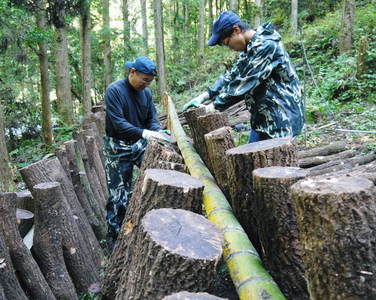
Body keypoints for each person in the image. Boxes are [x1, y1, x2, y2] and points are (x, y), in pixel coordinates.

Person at [183, 11, 304, 142]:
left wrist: (212, 107)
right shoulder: (249, 49)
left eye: (226, 42)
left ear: (236, 30)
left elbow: (244, 83)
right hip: (263, 117)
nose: (229, 47)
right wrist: (205, 95)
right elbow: (231, 75)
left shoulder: (266, 45)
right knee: (253, 158)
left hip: (282, 117)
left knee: (275, 159)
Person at [103, 56, 170, 245]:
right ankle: (114, 238)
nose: (146, 84)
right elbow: (118, 123)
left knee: (160, 176)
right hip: (117, 146)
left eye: (150, 81)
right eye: (145, 79)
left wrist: (157, 131)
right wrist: (145, 133)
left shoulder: (146, 94)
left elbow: (152, 118)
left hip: (139, 143)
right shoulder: (115, 91)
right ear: (132, 72)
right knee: (118, 195)